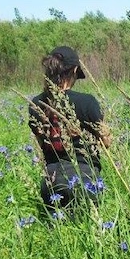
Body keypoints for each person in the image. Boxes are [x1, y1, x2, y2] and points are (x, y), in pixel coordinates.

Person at [28, 46, 111, 216]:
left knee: (57, 233)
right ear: (74, 70)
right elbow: (106, 142)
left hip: (51, 182)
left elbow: (40, 145)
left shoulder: (36, 103)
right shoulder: (87, 102)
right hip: (84, 180)